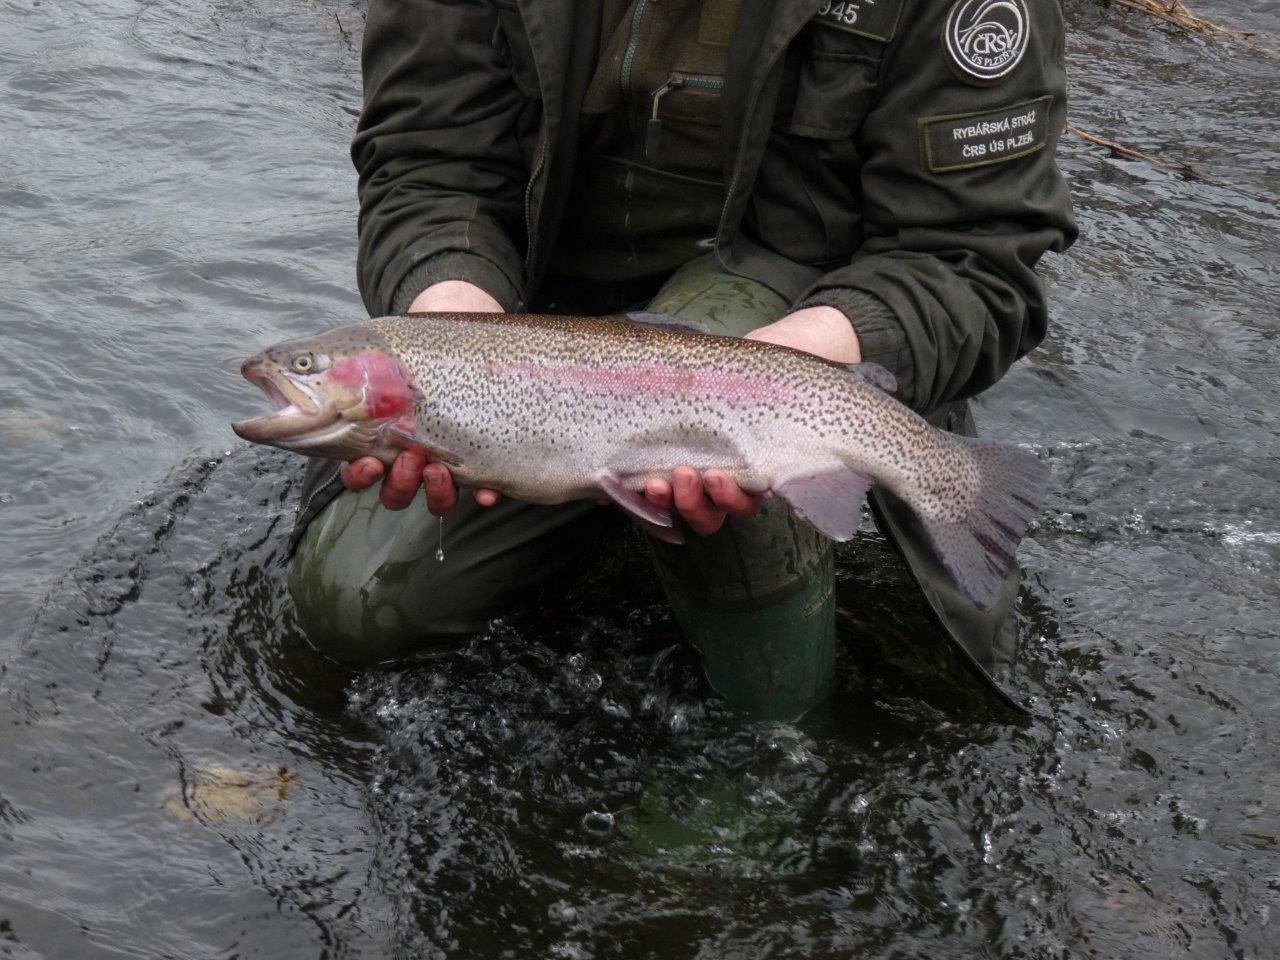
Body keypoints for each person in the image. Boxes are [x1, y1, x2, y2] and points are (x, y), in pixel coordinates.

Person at [286, 0, 1076, 718]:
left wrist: (780, 374)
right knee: (351, 604)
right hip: (537, 311)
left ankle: (771, 739)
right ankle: (596, 518)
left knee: (729, 435)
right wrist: (456, 333)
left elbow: (968, 255)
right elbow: (428, 165)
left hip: (806, 314)